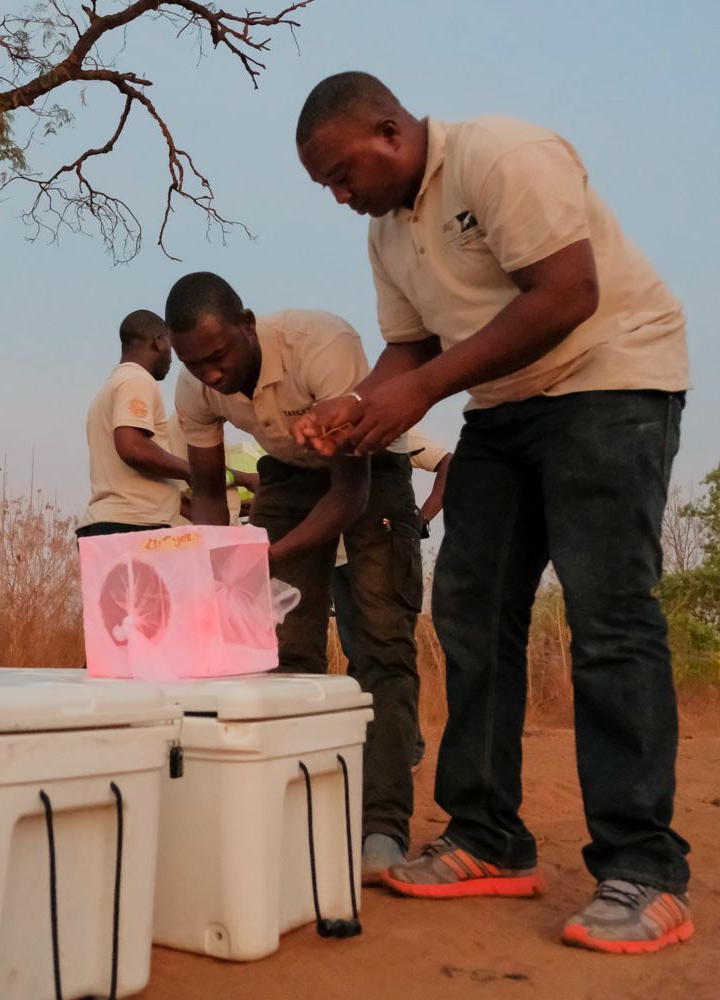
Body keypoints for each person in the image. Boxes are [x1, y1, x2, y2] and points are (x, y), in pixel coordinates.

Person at [294, 71, 691, 954]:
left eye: (343, 174)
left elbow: (567, 293)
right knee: (469, 609)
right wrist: (355, 406)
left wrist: (423, 394)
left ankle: (643, 868)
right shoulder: (387, 230)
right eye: (327, 185)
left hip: (610, 380)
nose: (341, 195)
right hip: (504, 407)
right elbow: (412, 344)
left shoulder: (500, 156)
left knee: (609, 618)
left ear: (391, 131)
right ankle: (486, 837)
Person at [166, 272, 422, 881]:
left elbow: (350, 494)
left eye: (220, 356)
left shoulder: (321, 345)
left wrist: (266, 558)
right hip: (285, 474)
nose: (212, 375)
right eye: (195, 364)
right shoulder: (194, 387)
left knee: (382, 645)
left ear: (247, 324)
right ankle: (290, 815)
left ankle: (380, 827)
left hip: (369, 472)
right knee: (277, 650)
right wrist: (220, 556)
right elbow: (206, 489)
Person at [333, 431, 453, 769]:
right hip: (339, 556)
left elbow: (447, 460)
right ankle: (375, 743)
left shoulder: (383, 427)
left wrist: (424, 517)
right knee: (356, 652)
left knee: (390, 649)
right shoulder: (323, 435)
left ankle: (406, 747)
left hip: (385, 552)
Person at [76, 309, 190, 538]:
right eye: (171, 346)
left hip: (111, 524)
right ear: (159, 341)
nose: (171, 358)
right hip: (135, 526)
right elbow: (132, 446)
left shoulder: (110, 387)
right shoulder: (137, 379)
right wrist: (194, 471)